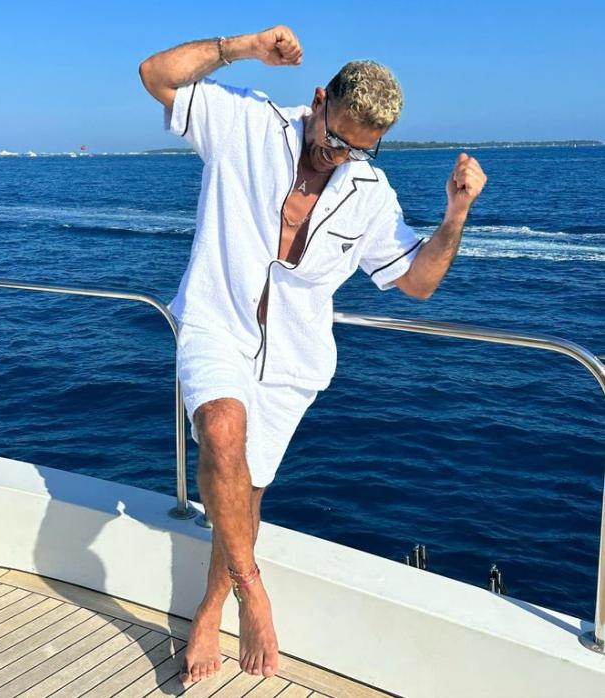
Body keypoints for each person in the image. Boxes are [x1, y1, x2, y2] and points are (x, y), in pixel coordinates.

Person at [139, 25, 487, 685]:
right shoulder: (247, 123)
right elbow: (157, 74)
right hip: (217, 322)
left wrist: (455, 216)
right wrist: (242, 47)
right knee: (221, 430)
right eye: (334, 139)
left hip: (293, 360)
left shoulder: (370, 193)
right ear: (321, 100)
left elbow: (418, 282)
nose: (338, 156)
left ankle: (210, 606)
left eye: (358, 148)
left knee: (245, 492)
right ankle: (252, 591)